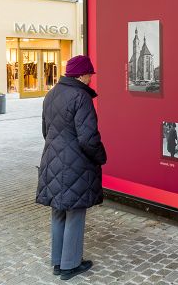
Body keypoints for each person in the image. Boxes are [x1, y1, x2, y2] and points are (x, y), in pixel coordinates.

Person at [36, 55, 107, 281]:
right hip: (76, 164)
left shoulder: (51, 94)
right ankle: (70, 265)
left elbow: (46, 131)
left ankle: (58, 262)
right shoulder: (81, 97)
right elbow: (88, 138)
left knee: (58, 212)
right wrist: (100, 156)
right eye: (89, 75)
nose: (90, 79)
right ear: (81, 74)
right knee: (75, 214)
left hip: (52, 161)